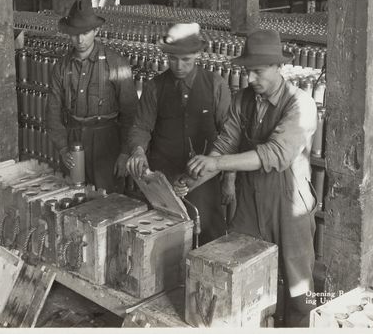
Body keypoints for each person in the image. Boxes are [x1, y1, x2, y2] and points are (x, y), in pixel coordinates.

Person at [183, 29, 318, 327]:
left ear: (277, 67)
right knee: (244, 274)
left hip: (288, 204)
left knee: (299, 289)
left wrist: (217, 162)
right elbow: (226, 142)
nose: (250, 79)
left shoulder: (300, 105)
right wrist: (185, 185)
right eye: (247, 72)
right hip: (248, 201)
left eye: (257, 71)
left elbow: (275, 154)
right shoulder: (243, 99)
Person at [126, 23, 232, 245]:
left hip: (204, 180)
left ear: (196, 54)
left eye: (186, 59)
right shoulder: (155, 87)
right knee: (167, 240)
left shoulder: (215, 85)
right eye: (173, 59)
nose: (179, 65)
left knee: (207, 239)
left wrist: (229, 180)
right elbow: (142, 126)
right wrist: (138, 150)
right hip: (165, 180)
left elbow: (229, 136)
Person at [46, 0, 138, 193]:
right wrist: (63, 148)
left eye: (85, 33)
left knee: (107, 201)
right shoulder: (61, 67)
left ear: (96, 31)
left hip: (107, 141)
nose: (79, 40)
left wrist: (124, 152)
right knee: (75, 197)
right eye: (74, 34)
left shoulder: (116, 63)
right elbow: (53, 113)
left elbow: (130, 113)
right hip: (74, 140)